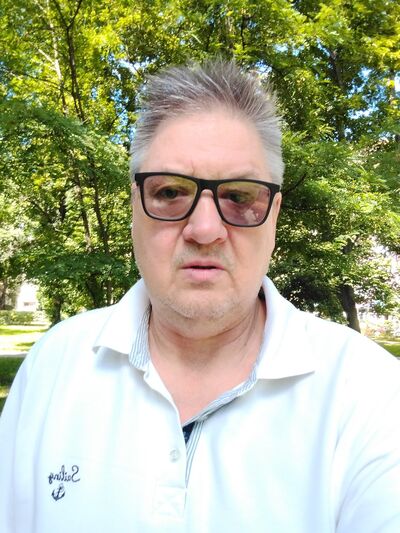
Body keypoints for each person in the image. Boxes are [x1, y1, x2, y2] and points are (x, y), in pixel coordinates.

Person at [0, 59, 399, 533]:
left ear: (273, 215)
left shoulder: (370, 394)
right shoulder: (53, 366)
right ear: (135, 206)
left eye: (240, 196)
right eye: (170, 191)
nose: (205, 229)